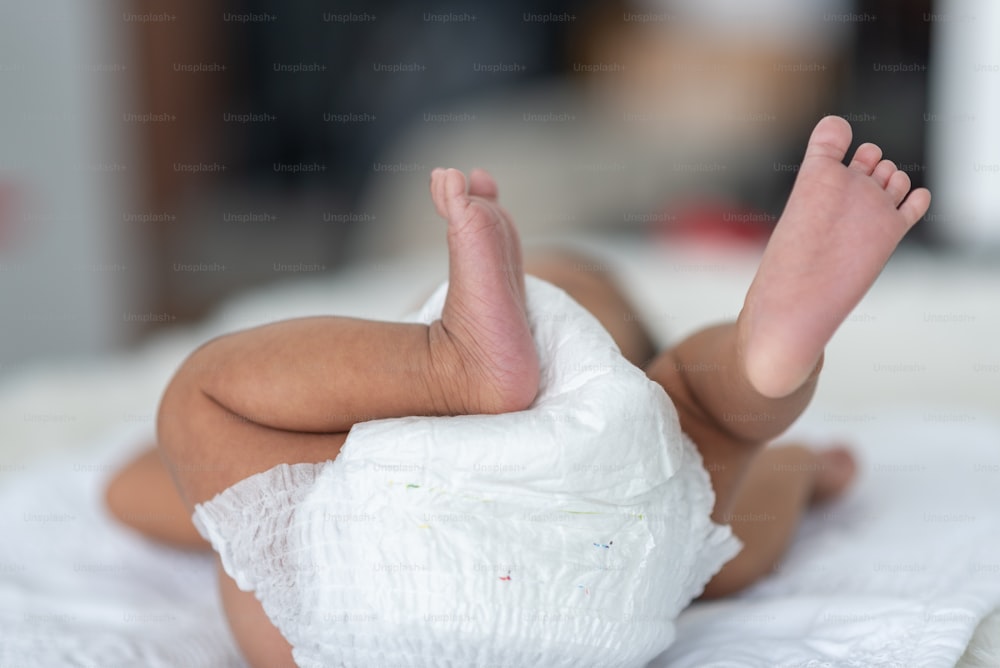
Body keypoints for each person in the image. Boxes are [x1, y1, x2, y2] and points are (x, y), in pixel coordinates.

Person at [106, 115, 930, 667]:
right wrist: (804, 468)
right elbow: (760, 509)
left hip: (353, 612)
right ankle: (761, 356)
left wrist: (225, 460)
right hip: (602, 589)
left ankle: (443, 363)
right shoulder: (640, 446)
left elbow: (126, 492)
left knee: (199, 400)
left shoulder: (354, 458)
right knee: (715, 429)